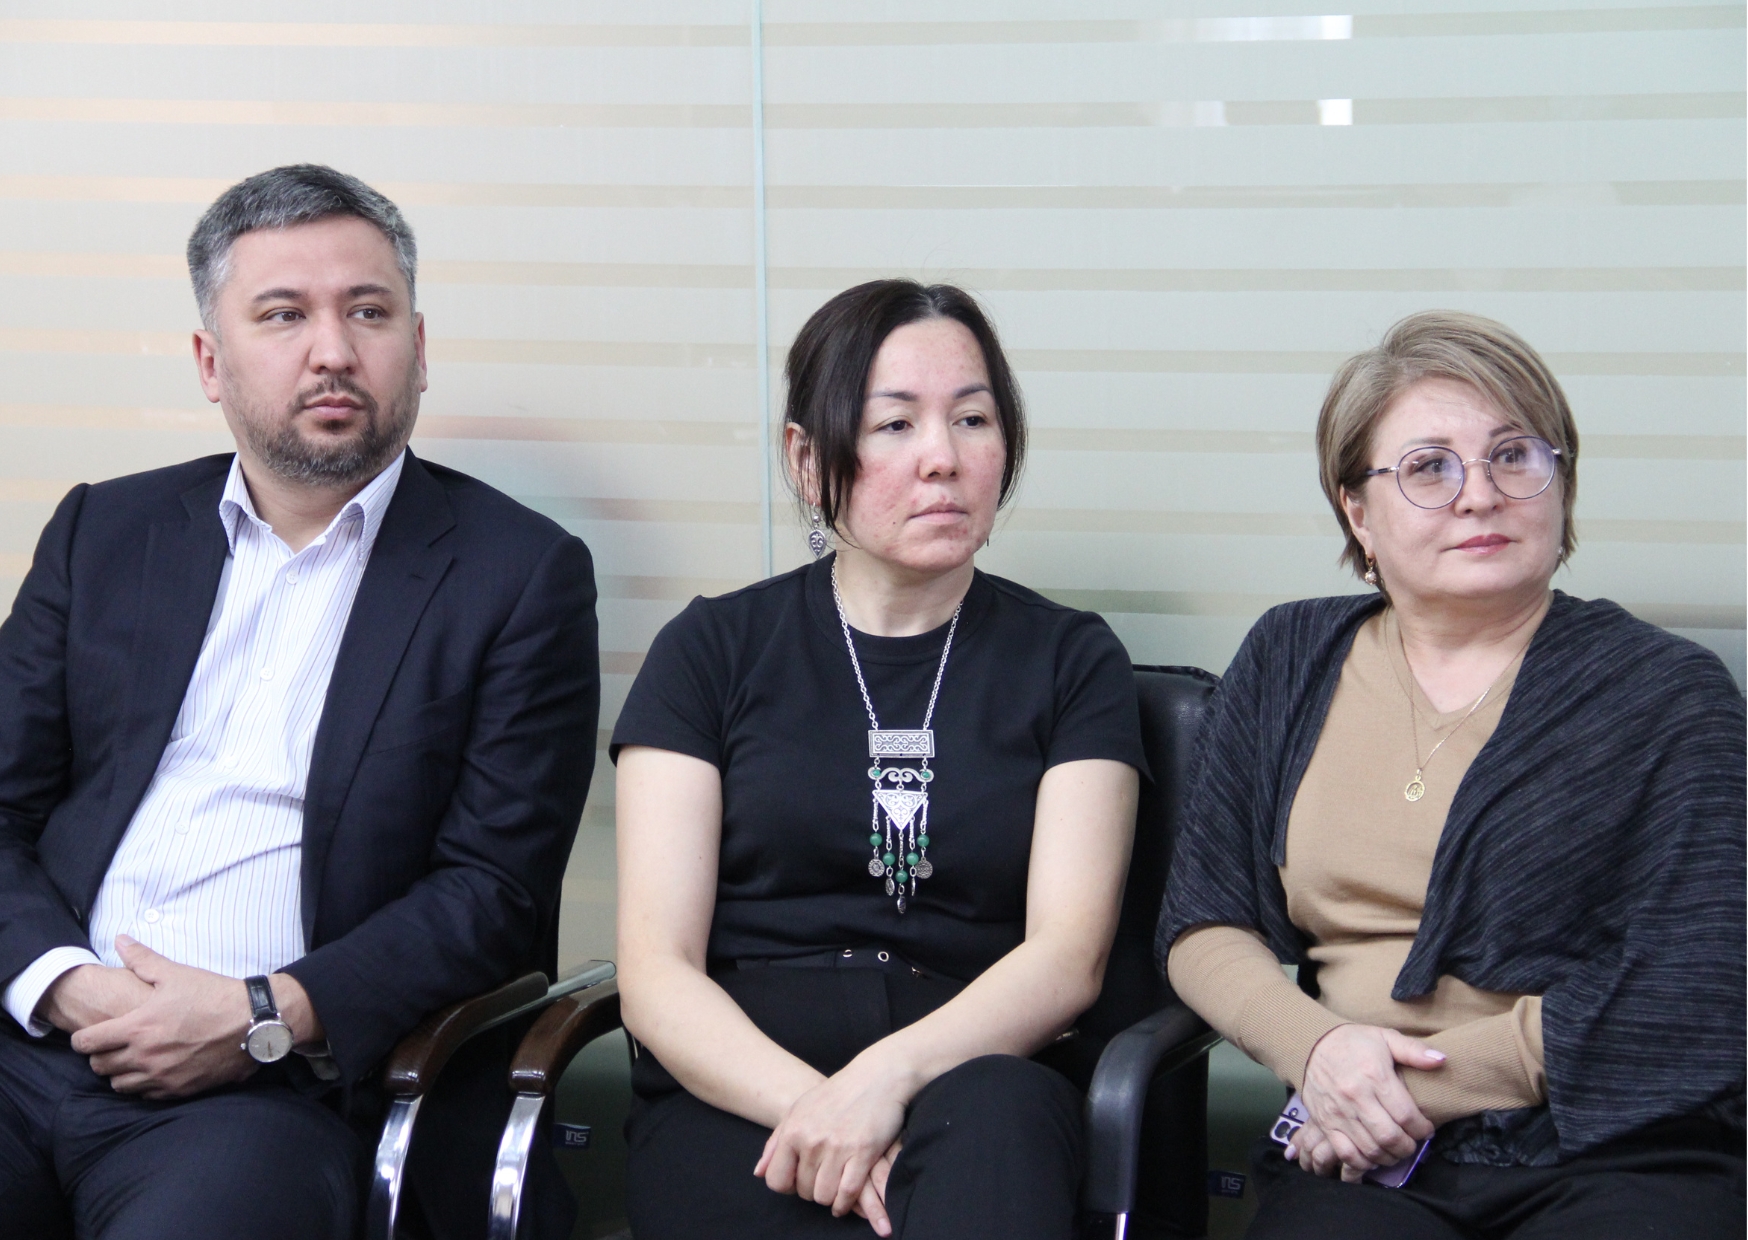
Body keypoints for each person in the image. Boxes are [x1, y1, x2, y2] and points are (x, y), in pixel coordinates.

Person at [0, 165, 600, 1239]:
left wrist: (261, 1014)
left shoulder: (517, 575)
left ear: (418, 348)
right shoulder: (105, 534)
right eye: (283, 315)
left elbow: (493, 889)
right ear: (210, 361)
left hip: (263, 1094)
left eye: (368, 312)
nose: (332, 350)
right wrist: (65, 985)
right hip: (32, 1042)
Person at [1157, 310, 1745, 1238]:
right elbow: (1203, 923)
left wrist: (1408, 1090)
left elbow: (1701, 984)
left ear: (1561, 485)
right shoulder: (1288, 657)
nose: (1480, 495)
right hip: (1357, 1157)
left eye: (1514, 456)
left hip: (1609, 1152)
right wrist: (1320, 1054)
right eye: (1429, 467)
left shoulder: (1667, 693)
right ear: (1359, 512)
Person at [612, 279, 1146, 1239]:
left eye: (973, 419)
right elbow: (657, 969)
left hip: (976, 1071)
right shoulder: (709, 652)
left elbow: (1068, 957)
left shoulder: (1072, 660)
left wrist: (882, 1083)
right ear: (806, 457)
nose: (944, 458)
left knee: (1000, 1145)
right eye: (895, 424)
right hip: (743, 1077)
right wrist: (814, 1109)